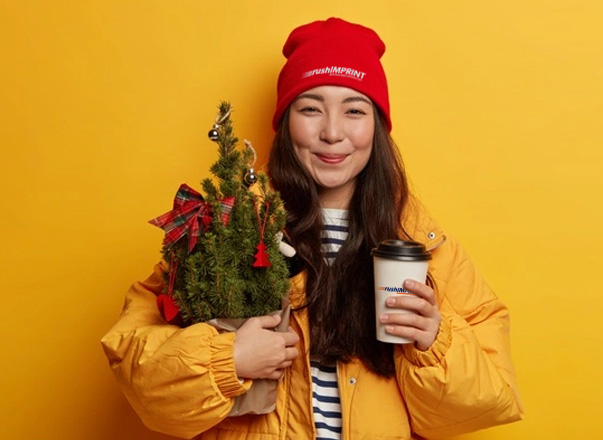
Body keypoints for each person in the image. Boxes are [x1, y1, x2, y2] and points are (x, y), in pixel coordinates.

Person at [102, 17, 523, 440]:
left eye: (354, 111)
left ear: (376, 126)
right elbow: (141, 378)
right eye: (310, 109)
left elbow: (489, 401)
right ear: (286, 122)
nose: (332, 133)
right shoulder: (224, 234)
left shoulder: (423, 247)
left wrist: (434, 342)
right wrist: (227, 360)